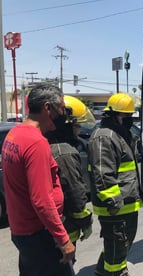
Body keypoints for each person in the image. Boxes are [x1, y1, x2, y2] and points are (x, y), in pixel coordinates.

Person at [2, 84, 77, 276]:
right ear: (47, 108)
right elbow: (42, 201)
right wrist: (64, 240)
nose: (63, 115)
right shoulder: (36, 143)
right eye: (61, 108)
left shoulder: (14, 134)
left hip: (22, 231)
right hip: (39, 234)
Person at [88, 92, 142, 276]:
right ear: (114, 115)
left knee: (120, 240)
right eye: (126, 116)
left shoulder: (119, 134)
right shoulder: (104, 137)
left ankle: (105, 268)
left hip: (126, 201)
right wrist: (113, 201)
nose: (129, 120)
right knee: (118, 240)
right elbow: (103, 175)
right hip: (115, 205)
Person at [45, 95, 95, 251]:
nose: (79, 129)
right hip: (64, 230)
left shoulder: (43, 142)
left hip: (42, 229)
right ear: (65, 124)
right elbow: (75, 192)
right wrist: (85, 221)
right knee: (63, 273)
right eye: (76, 125)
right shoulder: (63, 152)